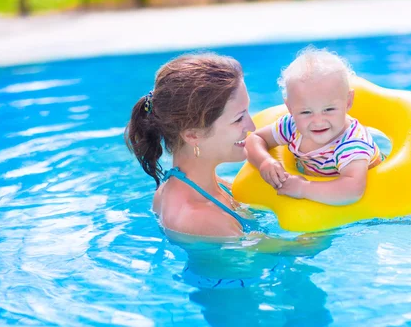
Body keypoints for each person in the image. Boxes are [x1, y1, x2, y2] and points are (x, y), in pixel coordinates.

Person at [125, 53, 257, 237]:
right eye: (238, 119)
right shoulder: (205, 220)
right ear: (193, 135)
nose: (252, 126)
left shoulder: (183, 188)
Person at [245, 47, 384, 206]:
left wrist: (303, 188)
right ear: (290, 107)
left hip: (371, 196)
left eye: (329, 109)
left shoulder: (352, 144)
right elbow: (255, 138)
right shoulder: (292, 126)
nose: (318, 121)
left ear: (348, 101)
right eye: (306, 112)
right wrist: (264, 161)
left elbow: (352, 190)